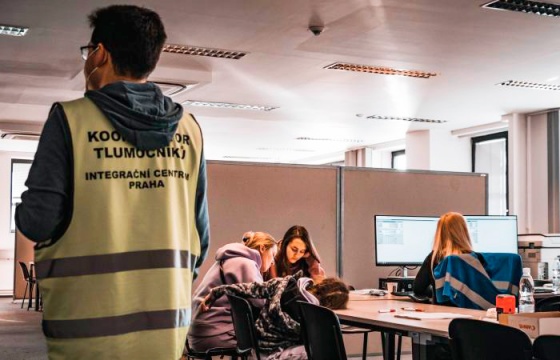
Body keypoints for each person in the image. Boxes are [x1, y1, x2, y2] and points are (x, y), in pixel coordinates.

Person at [14, 5, 209, 358]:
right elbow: (200, 239)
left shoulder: (71, 121)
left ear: (100, 53)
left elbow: (35, 221)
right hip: (166, 333)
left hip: (85, 333)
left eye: (88, 52)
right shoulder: (189, 131)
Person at [200, 272, 349, 359]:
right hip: (272, 355)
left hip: (254, 349)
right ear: (330, 305)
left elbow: (249, 288)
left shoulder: (284, 283)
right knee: (318, 352)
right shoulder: (311, 316)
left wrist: (216, 292)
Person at [188, 232, 278, 351]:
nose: (273, 262)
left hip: (197, 332)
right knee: (274, 344)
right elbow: (260, 302)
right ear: (262, 248)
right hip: (214, 334)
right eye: (273, 255)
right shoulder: (245, 263)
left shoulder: (229, 259)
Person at [413, 212, 481, 302]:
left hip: (442, 312)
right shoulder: (475, 258)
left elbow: (418, 288)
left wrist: (435, 290)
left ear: (440, 233)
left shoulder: (434, 258)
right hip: (471, 313)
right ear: (464, 231)